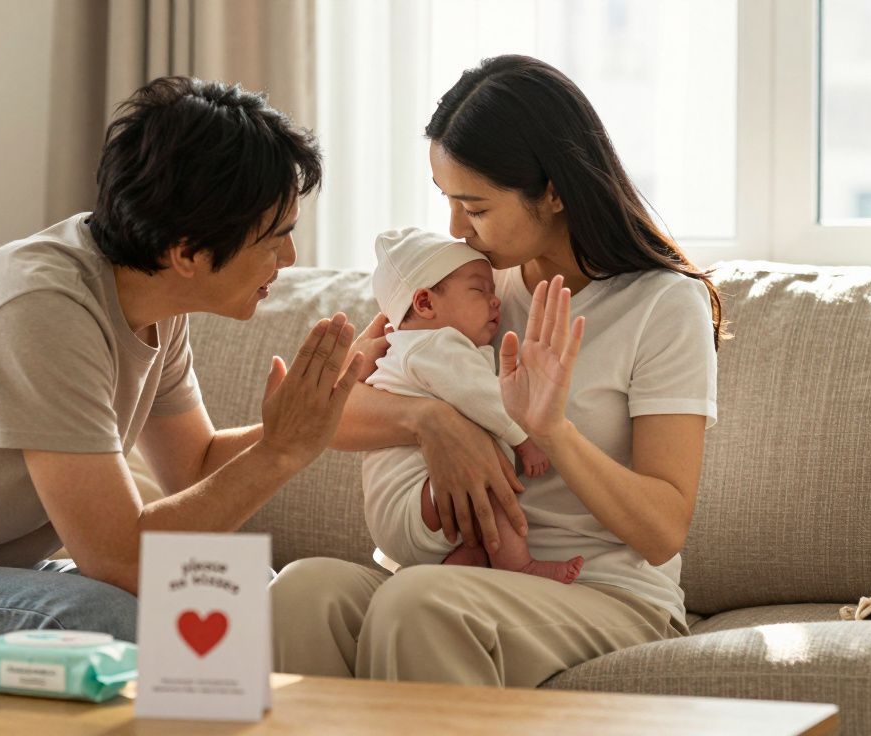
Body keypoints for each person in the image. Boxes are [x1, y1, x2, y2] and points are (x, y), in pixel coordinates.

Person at [0, 76, 368, 680]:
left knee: (248, 593)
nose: (289, 259)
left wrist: (305, 426)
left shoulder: (154, 296)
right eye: (277, 237)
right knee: (110, 623)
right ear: (186, 252)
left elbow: (197, 464)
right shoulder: (42, 308)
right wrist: (280, 451)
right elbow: (122, 560)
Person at [272, 55, 724, 687]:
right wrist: (430, 419)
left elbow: (661, 530)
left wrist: (553, 432)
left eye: (475, 208)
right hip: (457, 573)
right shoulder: (466, 287)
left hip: (601, 590)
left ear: (555, 191)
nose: (457, 230)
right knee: (302, 592)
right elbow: (341, 410)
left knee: (420, 604)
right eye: (449, 203)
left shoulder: (660, 304)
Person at [363, 226, 582, 585]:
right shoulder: (434, 345)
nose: (495, 301)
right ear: (425, 303)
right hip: (409, 505)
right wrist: (524, 440)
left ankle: (457, 568)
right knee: (487, 482)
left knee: (477, 550)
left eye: (493, 291)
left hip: (410, 516)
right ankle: (520, 564)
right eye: (479, 290)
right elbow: (484, 397)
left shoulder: (414, 347)